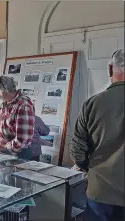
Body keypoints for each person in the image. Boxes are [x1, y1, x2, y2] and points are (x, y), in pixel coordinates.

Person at [70, 49, 124, 221]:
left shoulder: (92, 104)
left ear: (110, 69)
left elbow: (77, 151)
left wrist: (88, 168)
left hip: (101, 191)